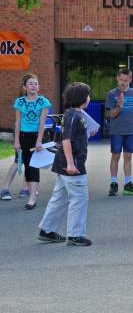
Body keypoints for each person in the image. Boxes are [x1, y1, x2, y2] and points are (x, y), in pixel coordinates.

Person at [37, 82, 93, 246]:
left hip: (64, 163)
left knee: (59, 197)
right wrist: (70, 164)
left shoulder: (74, 114)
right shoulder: (73, 116)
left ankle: (47, 230)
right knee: (79, 198)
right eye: (88, 94)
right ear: (82, 98)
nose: (89, 98)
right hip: (72, 164)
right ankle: (75, 234)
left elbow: (73, 136)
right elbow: (66, 140)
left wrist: (87, 133)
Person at [6, 74, 51, 209]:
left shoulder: (43, 102)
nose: (33, 86)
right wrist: (16, 141)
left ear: (38, 86)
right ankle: (31, 192)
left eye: (36, 84)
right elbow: (17, 123)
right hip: (23, 137)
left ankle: (32, 197)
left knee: (34, 166)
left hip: (36, 136)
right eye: (30, 84)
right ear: (25, 87)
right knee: (26, 166)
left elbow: (42, 123)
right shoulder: (20, 102)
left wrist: (39, 141)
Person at [105, 68, 133, 196]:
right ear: (117, 78)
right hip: (117, 131)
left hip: (130, 130)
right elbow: (111, 115)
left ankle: (127, 184)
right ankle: (114, 183)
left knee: (128, 157)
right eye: (121, 80)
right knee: (115, 156)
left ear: (130, 80)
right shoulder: (111, 94)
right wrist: (119, 105)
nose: (123, 83)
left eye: (126, 80)